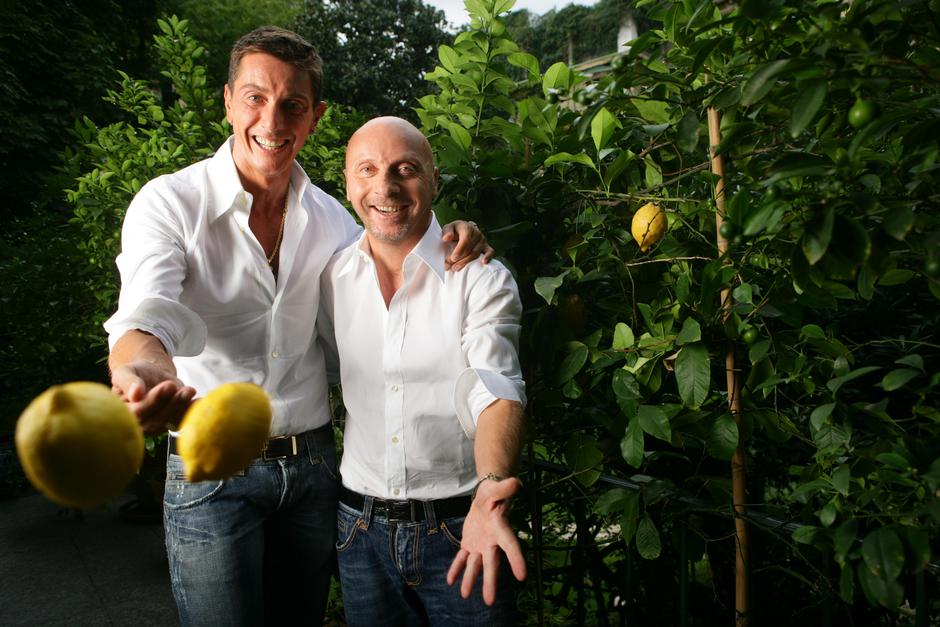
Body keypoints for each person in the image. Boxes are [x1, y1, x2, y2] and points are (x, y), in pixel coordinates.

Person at [105, 27, 488, 627]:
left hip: (313, 469)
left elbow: (397, 254)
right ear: (228, 102)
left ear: (315, 118)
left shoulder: (335, 220)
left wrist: (451, 234)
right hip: (211, 466)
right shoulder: (170, 202)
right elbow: (147, 310)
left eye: (293, 105)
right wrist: (141, 371)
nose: (272, 120)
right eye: (255, 98)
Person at [317, 116, 527, 626]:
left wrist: (490, 489)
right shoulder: (332, 277)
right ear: (348, 182)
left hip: (462, 527)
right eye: (367, 169)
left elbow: (494, 387)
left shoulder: (480, 278)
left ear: (434, 179)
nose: (384, 187)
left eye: (405, 169)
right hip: (359, 531)